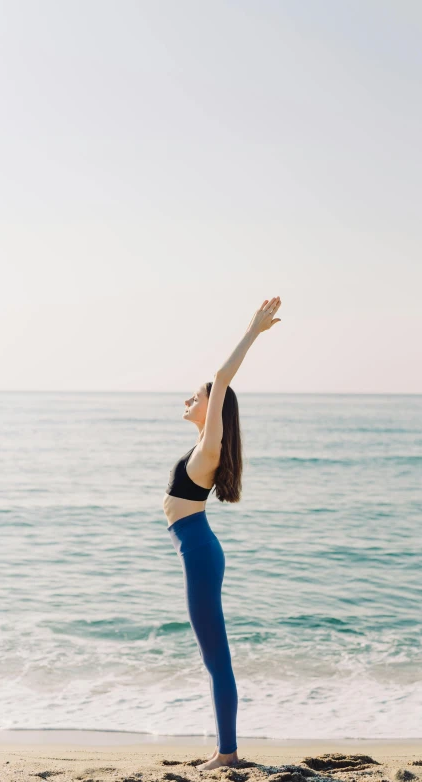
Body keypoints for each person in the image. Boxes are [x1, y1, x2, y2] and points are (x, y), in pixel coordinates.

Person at [163, 296, 282, 770]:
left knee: (216, 657)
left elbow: (223, 376)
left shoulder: (209, 445)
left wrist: (252, 331)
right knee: (213, 654)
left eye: (198, 395)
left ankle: (228, 755)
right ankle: (223, 749)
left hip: (198, 552)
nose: (189, 400)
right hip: (196, 548)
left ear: (214, 409)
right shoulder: (201, 447)